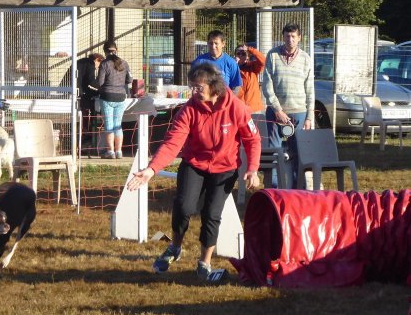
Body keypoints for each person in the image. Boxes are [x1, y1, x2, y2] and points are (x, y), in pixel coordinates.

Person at [126, 63, 261, 281]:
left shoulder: (236, 107)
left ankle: (204, 263)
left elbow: (252, 139)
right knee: (183, 206)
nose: (194, 92)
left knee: (212, 214)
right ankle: (175, 247)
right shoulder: (188, 110)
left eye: (199, 88)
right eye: (192, 87)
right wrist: (152, 170)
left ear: (214, 87)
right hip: (194, 164)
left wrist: (253, 168)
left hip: (225, 169)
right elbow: (172, 143)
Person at [262, 23, 314, 188]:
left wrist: (309, 116)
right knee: (274, 151)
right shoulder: (273, 55)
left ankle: (298, 188)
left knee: (298, 152)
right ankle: (274, 189)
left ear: (299, 38)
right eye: (287, 36)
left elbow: (310, 89)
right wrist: (277, 110)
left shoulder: (306, 59)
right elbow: (267, 86)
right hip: (275, 113)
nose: (290, 39)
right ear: (282, 37)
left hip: (299, 112)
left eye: (293, 36)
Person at [97, 41, 132, 159]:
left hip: (107, 96)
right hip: (121, 96)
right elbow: (130, 79)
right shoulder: (125, 63)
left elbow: (100, 82)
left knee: (109, 125)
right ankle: (119, 151)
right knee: (118, 125)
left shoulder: (104, 64)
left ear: (105, 51)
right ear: (116, 50)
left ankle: (110, 151)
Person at [234, 44, 265, 114]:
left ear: (247, 56)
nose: (241, 55)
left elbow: (263, 61)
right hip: (239, 108)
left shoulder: (252, 66)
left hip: (253, 108)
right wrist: (234, 65)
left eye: (243, 53)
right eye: (238, 53)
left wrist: (250, 49)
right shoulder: (232, 68)